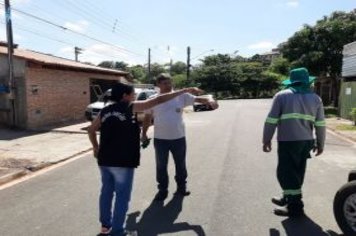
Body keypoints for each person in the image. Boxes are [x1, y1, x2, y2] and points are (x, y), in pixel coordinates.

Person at [87, 82, 202, 236]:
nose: (134, 95)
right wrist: (184, 90)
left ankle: (105, 227)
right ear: (124, 96)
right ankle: (118, 232)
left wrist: (96, 148)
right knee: (122, 196)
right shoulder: (130, 107)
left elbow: (91, 130)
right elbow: (158, 100)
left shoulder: (105, 110)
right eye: (132, 93)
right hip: (122, 160)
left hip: (105, 160)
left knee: (106, 192)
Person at [141, 73, 219, 201]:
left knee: (180, 164)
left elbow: (201, 99)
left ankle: (181, 187)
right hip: (160, 139)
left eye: (169, 82)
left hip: (178, 138)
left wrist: (211, 101)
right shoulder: (154, 99)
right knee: (161, 166)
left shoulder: (181, 96)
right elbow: (147, 118)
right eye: (165, 83)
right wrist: (143, 134)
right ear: (158, 85)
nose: (168, 85)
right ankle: (162, 190)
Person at [262, 67, 326, 217]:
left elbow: (271, 120)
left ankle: (295, 207)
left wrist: (266, 139)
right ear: (307, 82)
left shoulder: (281, 96)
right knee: (297, 171)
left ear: (291, 82)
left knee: (286, 173)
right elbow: (321, 124)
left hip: (288, 141)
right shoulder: (316, 98)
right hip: (306, 142)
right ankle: (287, 197)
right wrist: (321, 143)